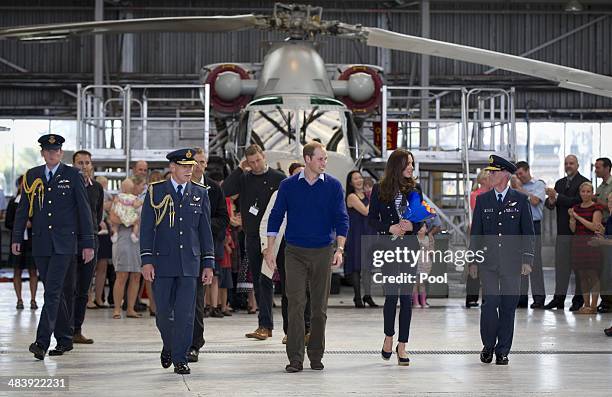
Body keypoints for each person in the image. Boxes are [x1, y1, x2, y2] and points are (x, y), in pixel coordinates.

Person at [265, 141, 349, 373]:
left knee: (319, 309)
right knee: (295, 305)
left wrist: (339, 249)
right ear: (308, 160)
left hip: (323, 251)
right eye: (321, 158)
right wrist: (270, 249)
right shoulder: (288, 185)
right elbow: (276, 216)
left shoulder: (333, 186)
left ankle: (315, 354)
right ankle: (295, 358)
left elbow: (342, 219)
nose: (325, 163)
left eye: (325, 159)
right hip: (294, 252)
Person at [11, 134, 95, 361]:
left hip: (65, 243)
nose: (51, 153)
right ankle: (66, 340)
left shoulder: (72, 175)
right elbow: (23, 209)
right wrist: (17, 237)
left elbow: (84, 211)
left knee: (53, 292)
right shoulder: (32, 175)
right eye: (47, 150)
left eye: (56, 150)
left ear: (61, 153)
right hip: (41, 243)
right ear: (42, 153)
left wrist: (87, 243)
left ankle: (42, 342)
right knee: (57, 292)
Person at [140, 148, 215, 375]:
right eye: (184, 166)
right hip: (162, 263)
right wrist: (147, 260)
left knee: (186, 314)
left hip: (190, 264)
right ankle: (169, 345)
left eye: (191, 167)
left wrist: (208, 263)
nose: (189, 171)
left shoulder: (200, 193)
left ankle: (180, 358)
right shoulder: (156, 192)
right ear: (172, 167)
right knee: (163, 313)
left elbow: (205, 231)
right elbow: (146, 229)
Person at [469, 155, 534, 366]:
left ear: (505, 175)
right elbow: (476, 233)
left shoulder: (520, 200)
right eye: (489, 172)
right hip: (488, 262)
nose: (490, 175)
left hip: (512, 262)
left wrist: (527, 260)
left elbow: (528, 233)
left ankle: (503, 350)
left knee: (508, 305)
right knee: (490, 303)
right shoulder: (483, 200)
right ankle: (488, 345)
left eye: (494, 172)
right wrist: (472, 260)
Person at [223, 144, 286, 341]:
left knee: (287, 281)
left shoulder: (279, 178)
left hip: (278, 237)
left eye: (258, 160)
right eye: (251, 162)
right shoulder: (244, 178)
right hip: (252, 237)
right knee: (261, 281)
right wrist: (240, 169)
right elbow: (224, 190)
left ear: (264, 156)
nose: (256, 165)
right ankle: (264, 325)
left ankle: (290, 329)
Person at [368, 148, 422, 366]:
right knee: (391, 296)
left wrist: (413, 225)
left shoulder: (415, 189)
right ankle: (388, 337)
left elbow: (420, 217)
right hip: (388, 247)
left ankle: (403, 345)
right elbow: (372, 219)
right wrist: (389, 227)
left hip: (410, 247)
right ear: (396, 166)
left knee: (406, 298)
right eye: (407, 163)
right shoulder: (379, 189)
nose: (411, 167)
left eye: (412, 163)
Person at [260, 162, 312, 345]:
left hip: (309, 247)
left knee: (309, 290)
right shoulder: (280, 193)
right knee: (290, 291)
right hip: (286, 247)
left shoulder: (314, 192)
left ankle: (307, 329)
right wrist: (266, 247)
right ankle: (290, 330)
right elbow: (267, 222)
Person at [188, 147, 228, 363]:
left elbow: (223, 218)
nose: (200, 166)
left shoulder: (213, 188)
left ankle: (195, 343)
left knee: (196, 300)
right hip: (179, 251)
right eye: (197, 162)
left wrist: (202, 226)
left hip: (203, 249)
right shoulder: (181, 186)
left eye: (203, 162)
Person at [61, 150, 104, 348]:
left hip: (91, 241)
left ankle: (77, 330)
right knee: (68, 287)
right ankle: (65, 331)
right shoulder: (66, 187)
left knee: (84, 289)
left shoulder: (96, 188)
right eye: (80, 163)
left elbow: (97, 214)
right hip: (70, 241)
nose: (84, 166)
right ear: (73, 165)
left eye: (87, 163)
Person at [544, 155, 589, 311]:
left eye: (571, 163)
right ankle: (559, 299)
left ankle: (578, 300)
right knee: (561, 267)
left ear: (577, 165)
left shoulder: (584, 182)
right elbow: (550, 205)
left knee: (578, 268)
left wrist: (556, 196)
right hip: (562, 231)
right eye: (566, 163)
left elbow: (576, 202)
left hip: (579, 233)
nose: (568, 166)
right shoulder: (560, 183)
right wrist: (551, 200)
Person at [511, 161, 546, 309]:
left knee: (535, 262)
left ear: (527, 171)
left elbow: (534, 200)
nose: (520, 176)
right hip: (518, 227)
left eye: (521, 173)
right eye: (517, 174)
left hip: (533, 225)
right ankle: (521, 297)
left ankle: (538, 298)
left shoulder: (538, 184)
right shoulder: (513, 188)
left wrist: (518, 188)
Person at [110, 176, 145, 319]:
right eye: (141, 185)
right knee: (122, 274)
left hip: (137, 240)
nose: (142, 188)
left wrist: (133, 221)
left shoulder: (138, 201)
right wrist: (130, 220)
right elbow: (113, 218)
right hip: (123, 239)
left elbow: (144, 219)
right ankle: (117, 309)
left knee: (136, 275)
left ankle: (131, 308)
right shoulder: (119, 200)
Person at [569, 182, 604, 314]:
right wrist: (572, 219)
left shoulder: (597, 208)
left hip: (591, 243)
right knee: (582, 274)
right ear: (580, 192)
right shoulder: (576, 207)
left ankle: (594, 306)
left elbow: (595, 226)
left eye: (588, 191)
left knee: (592, 274)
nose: (585, 194)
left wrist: (578, 217)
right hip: (578, 243)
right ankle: (586, 304)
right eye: (583, 191)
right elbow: (573, 229)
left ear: (592, 193)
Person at [5, 175, 38, 311]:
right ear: (19, 186)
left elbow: (41, 222)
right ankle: (19, 299)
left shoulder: (35, 202)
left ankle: (33, 299)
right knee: (17, 270)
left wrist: (32, 224)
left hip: (31, 241)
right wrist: (20, 224)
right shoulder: (13, 202)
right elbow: (8, 223)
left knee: (33, 271)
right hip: (17, 241)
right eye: (23, 184)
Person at [345, 170, 377, 308]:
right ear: (351, 182)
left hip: (368, 233)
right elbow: (366, 211)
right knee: (356, 267)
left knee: (367, 268)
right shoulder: (351, 197)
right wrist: (374, 198)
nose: (359, 180)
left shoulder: (366, 195)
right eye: (355, 178)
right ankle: (357, 297)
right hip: (356, 235)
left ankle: (367, 296)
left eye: (360, 177)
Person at [466, 169, 491, 308]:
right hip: (479, 234)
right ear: (482, 180)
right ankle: (472, 297)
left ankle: (487, 296)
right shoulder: (475, 195)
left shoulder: (495, 194)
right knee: (474, 263)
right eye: (488, 177)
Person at [589, 192, 612, 334]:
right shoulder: (609, 219)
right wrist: (603, 234)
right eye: (609, 201)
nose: (610, 204)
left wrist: (602, 241)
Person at [594, 157, 612, 313]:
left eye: (598, 167)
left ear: (607, 168)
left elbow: (608, 205)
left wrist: (598, 203)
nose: (596, 170)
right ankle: (606, 300)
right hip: (603, 228)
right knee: (604, 266)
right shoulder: (600, 187)